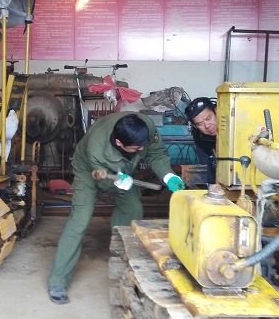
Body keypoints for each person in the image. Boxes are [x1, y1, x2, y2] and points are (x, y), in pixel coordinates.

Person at [47, 112, 186, 304]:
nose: (142, 149)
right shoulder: (97, 149)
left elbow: (156, 153)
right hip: (89, 170)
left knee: (133, 209)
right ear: (119, 143)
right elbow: (103, 180)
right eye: (137, 147)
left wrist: (168, 176)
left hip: (121, 171)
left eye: (143, 144)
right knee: (80, 219)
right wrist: (119, 182)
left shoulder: (145, 127)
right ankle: (58, 280)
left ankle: (121, 258)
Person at [184, 97, 217, 183]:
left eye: (208, 118)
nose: (207, 126)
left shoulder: (237, 125)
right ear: (195, 126)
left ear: (216, 111)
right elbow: (209, 168)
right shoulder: (200, 139)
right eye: (199, 124)